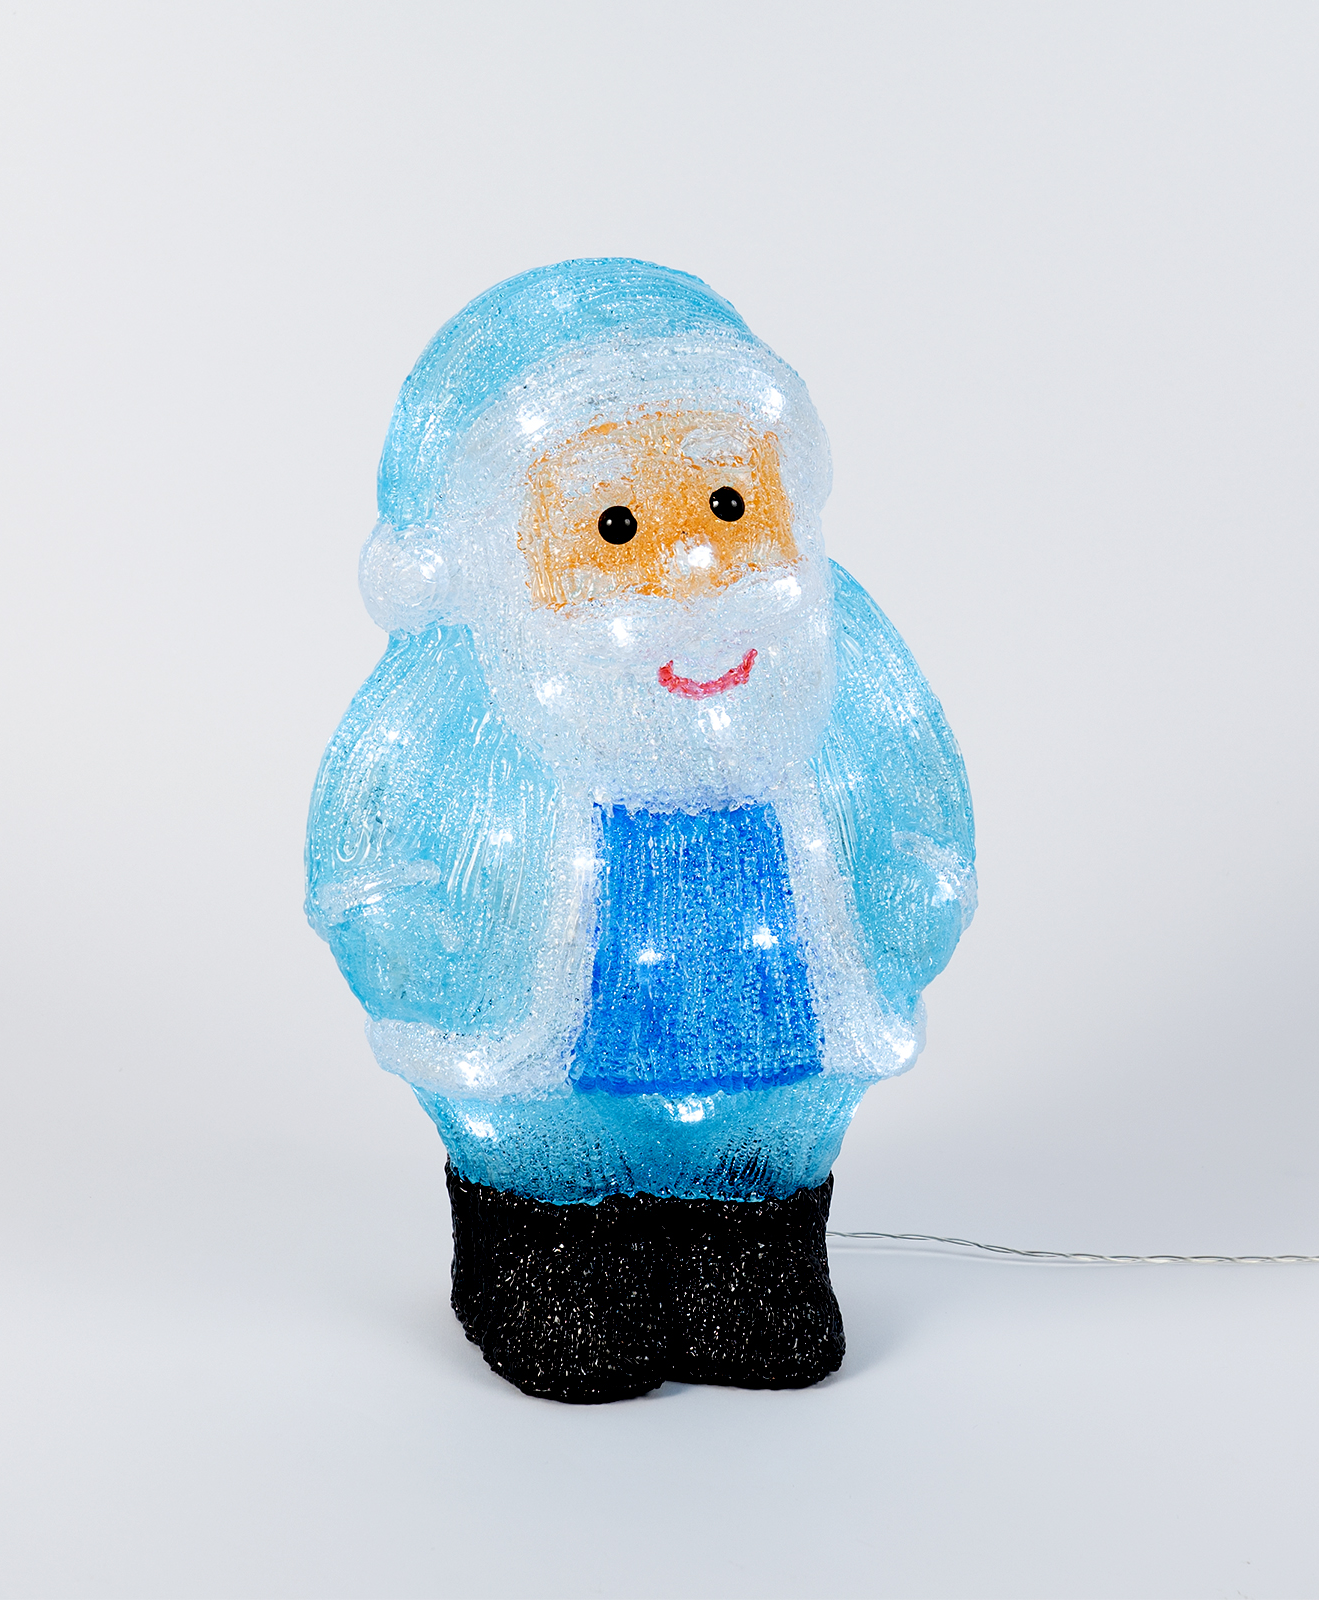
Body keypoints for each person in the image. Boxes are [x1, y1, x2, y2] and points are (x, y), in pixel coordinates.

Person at [306, 259, 976, 1403]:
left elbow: (914, 780)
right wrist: (403, 933)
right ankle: (546, 1258)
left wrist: (918, 885)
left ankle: (750, 1252)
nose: (693, 565)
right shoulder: (457, 681)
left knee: (755, 1217)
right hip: (542, 1065)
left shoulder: (834, 643)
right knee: (559, 1215)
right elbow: (369, 830)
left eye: (729, 506)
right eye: (615, 524)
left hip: (781, 1035)